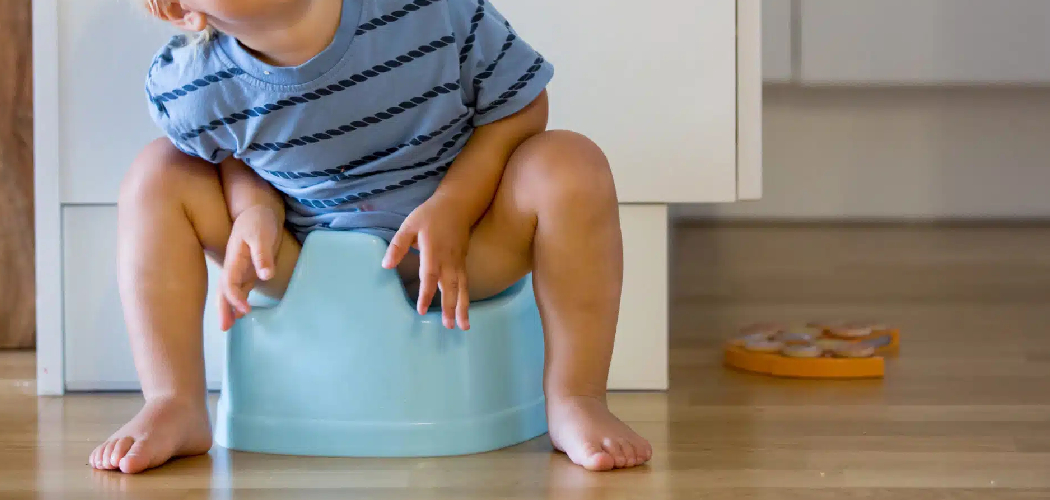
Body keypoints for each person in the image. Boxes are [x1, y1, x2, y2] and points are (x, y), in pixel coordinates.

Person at [89, 0, 651, 473]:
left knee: (570, 162)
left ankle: (577, 396)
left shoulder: (425, 10)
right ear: (179, 8)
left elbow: (521, 105)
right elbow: (224, 152)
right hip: (304, 259)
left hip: (463, 247)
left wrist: (454, 207)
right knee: (157, 173)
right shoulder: (188, 84)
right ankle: (174, 402)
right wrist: (253, 208)